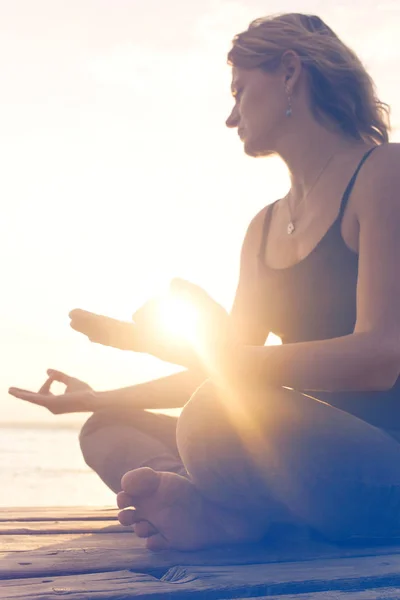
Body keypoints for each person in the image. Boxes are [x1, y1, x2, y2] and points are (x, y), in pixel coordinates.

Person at [9, 12, 400, 552]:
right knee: (106, 427)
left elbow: (380, 357)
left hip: (382, 462)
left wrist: (173, 350)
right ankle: (210, 505)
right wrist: (94, 398)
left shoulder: (385, 174)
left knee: (213, 416)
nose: (231, 115)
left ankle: (225, 507)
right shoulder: (261, 228)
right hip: (287, 456)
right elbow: (225, 367)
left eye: (240, 90)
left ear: (290, 72)